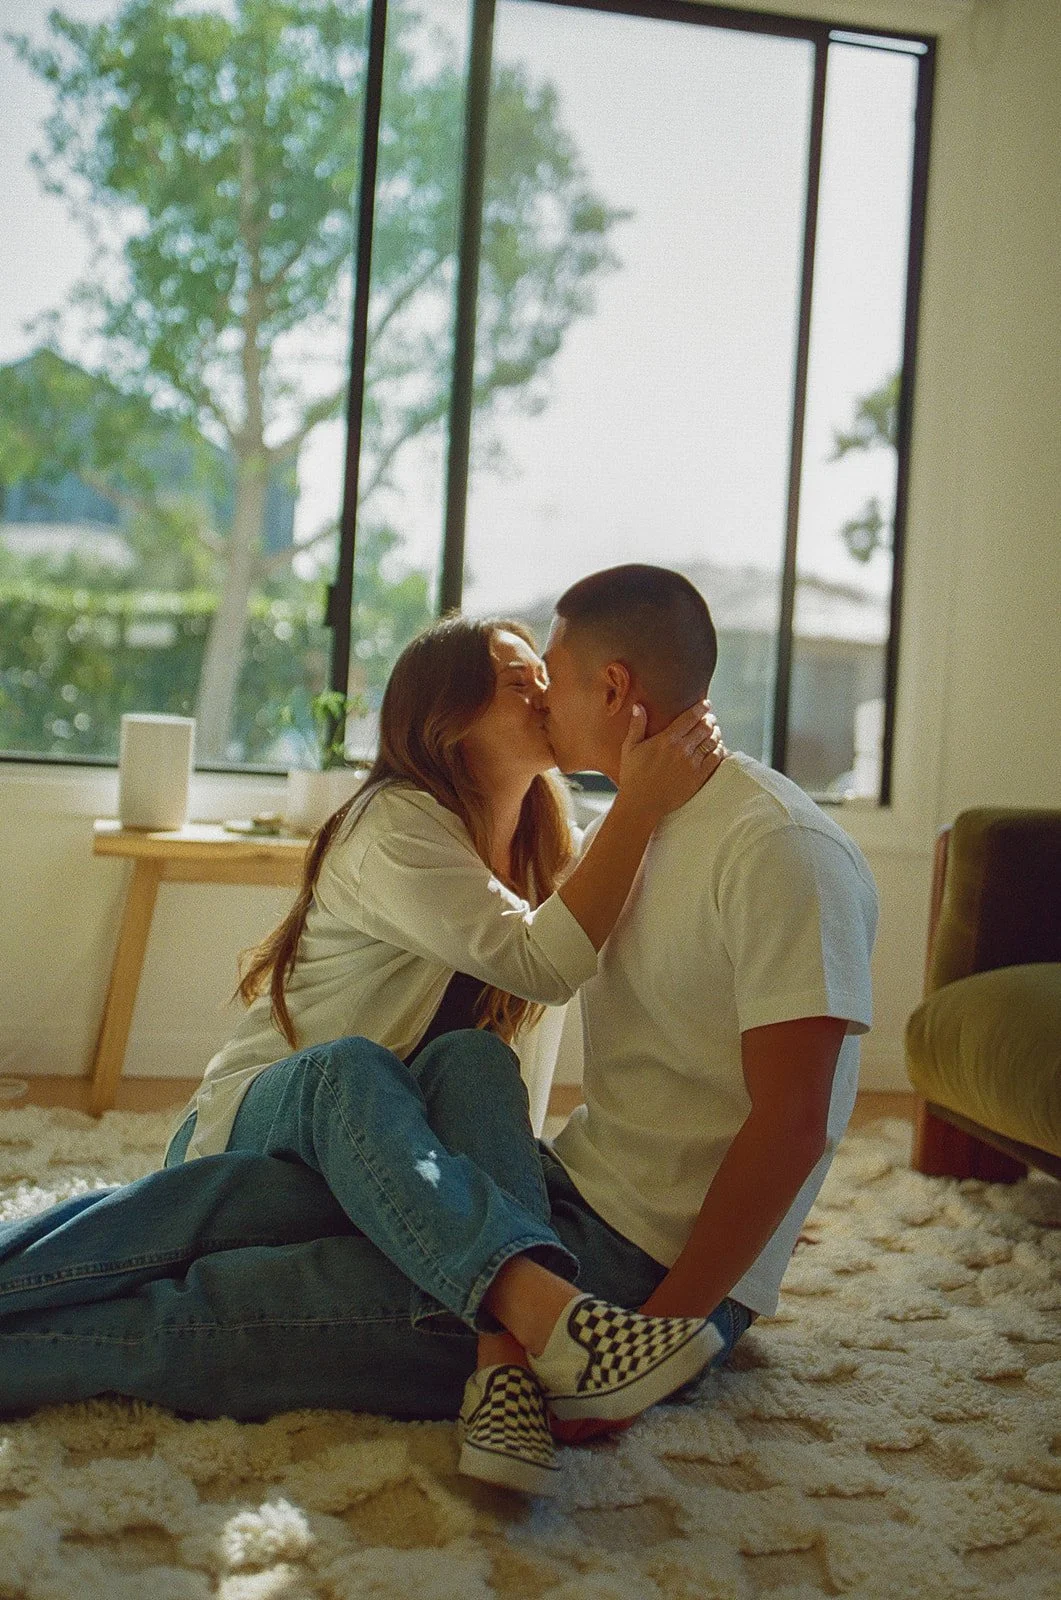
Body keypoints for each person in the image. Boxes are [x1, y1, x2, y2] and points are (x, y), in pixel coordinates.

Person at [0, 567, 877, 1497]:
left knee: (224, 1299)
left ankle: (566, 1335)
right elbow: (538, 978)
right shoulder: (614, 830)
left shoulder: (771, 844)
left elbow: (794, 1122)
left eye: (552, 671)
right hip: (430, 1157)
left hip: (632, 1262)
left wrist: (673, 1329)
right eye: (520, 678)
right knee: (406, 1082)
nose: (540, 690)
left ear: (612, 689)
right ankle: (532, 1325)